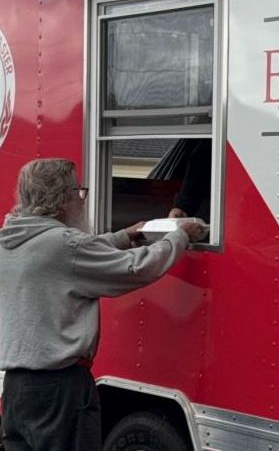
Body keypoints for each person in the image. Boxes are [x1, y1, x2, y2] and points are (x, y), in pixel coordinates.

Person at [0, 158, 206, 451]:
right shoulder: (64, 245)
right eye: (78, 192)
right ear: (61, 200)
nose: (81, 199)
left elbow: (67, 258)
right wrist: (180, 237)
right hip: (60, 390)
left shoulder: (10, 239)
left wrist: (123, 237)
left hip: (17, 391)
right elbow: (137, 268)